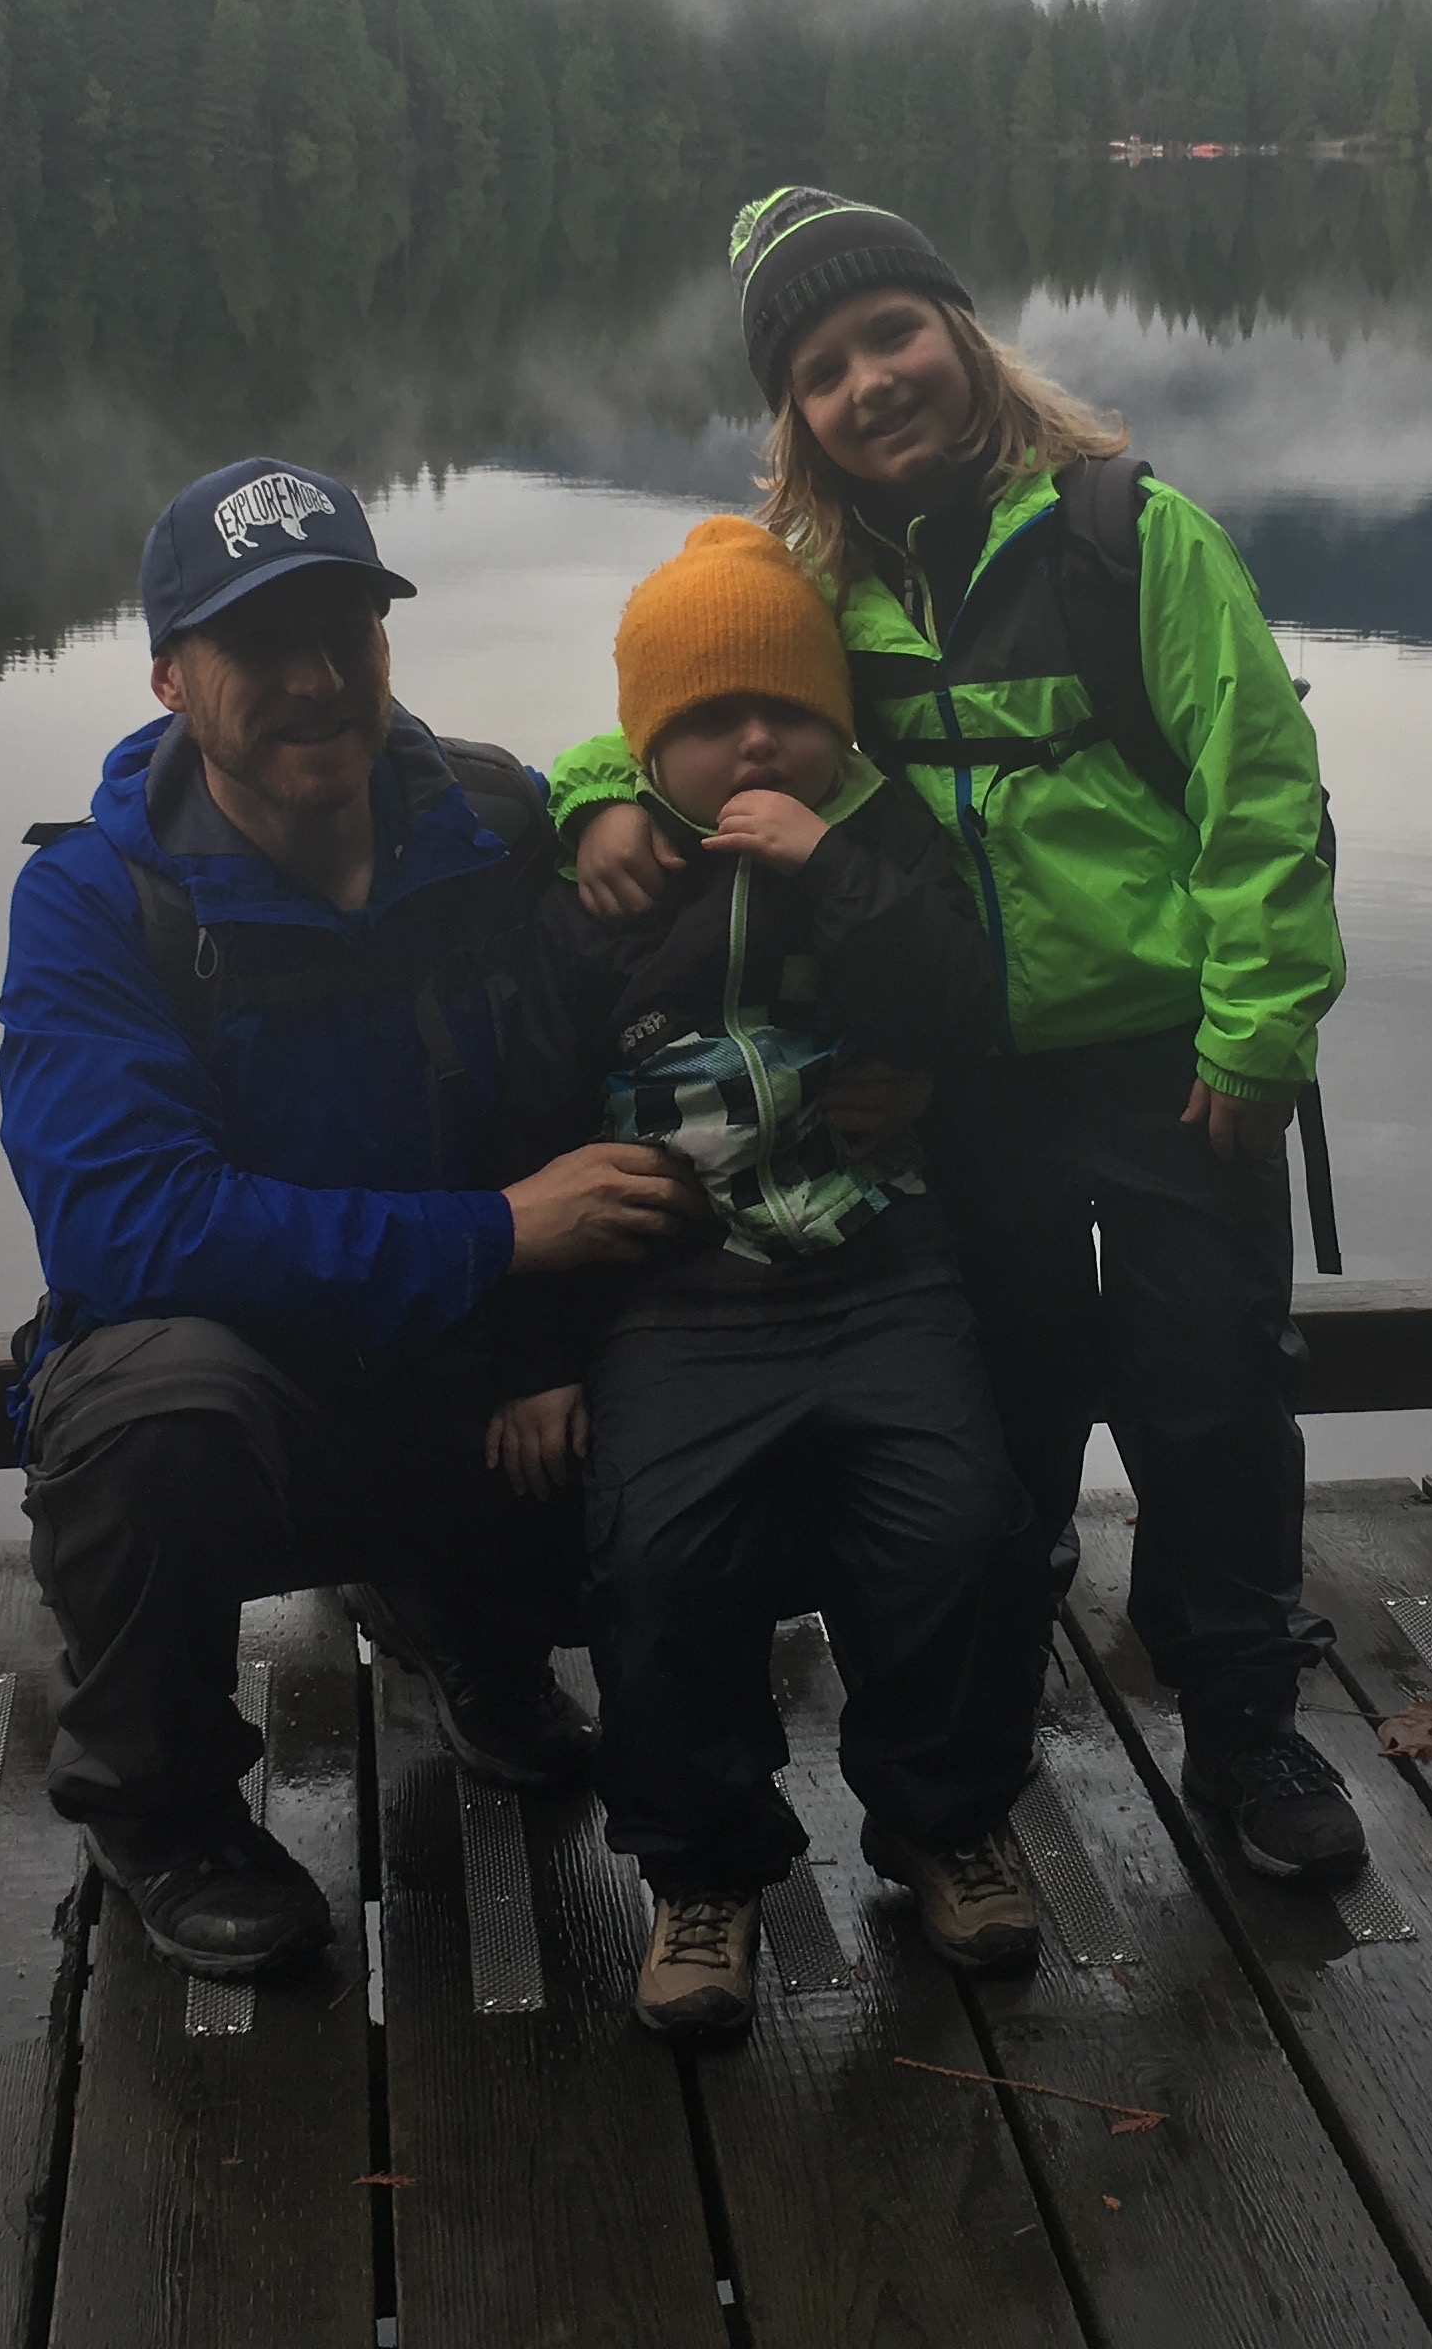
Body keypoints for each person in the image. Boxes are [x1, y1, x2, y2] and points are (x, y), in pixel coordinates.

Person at [551, 191, 1367, 1884]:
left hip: (1178, 1065)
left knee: (1213, 1397)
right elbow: (672, 708)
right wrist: (587, 802)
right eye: (822, 370)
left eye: (893, 335)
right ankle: (980, 1731)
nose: (870, 383)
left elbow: (1262, 796)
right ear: (798, 418)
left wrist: (1259, 1034)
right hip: (966, 1081)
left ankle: (1244, 1722)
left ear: (963, 338)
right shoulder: (814, 588)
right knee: (1013, 1406)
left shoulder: (1130, 537)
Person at [0, 454, 704, 1980]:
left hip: (478, 1373)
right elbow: (125, 1229)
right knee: (145, 1414)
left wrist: (611, 811)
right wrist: (496, 1235)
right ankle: (163, 1813)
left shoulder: (497, 819)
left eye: (346, 631)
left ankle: (475, 1630)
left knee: (686, 1362)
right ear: (171, 678)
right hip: (267, 1398)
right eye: (262, 644)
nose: (316, 679)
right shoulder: (95, 903)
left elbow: (663, 864)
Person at [486, 516, 1050, 2038]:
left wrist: (834, 868)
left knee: (961, 1527)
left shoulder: (888, 845)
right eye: (712, 716)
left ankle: (944, 1822)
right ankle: (705, 1869)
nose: (755, 742)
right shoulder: (595, 888)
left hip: (879, 1262)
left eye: (789, 709)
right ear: (645, 743)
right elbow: (525, 1124)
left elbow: (961, 996)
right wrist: (535, 1359)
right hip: (676, 1291)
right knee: (660, 1562)